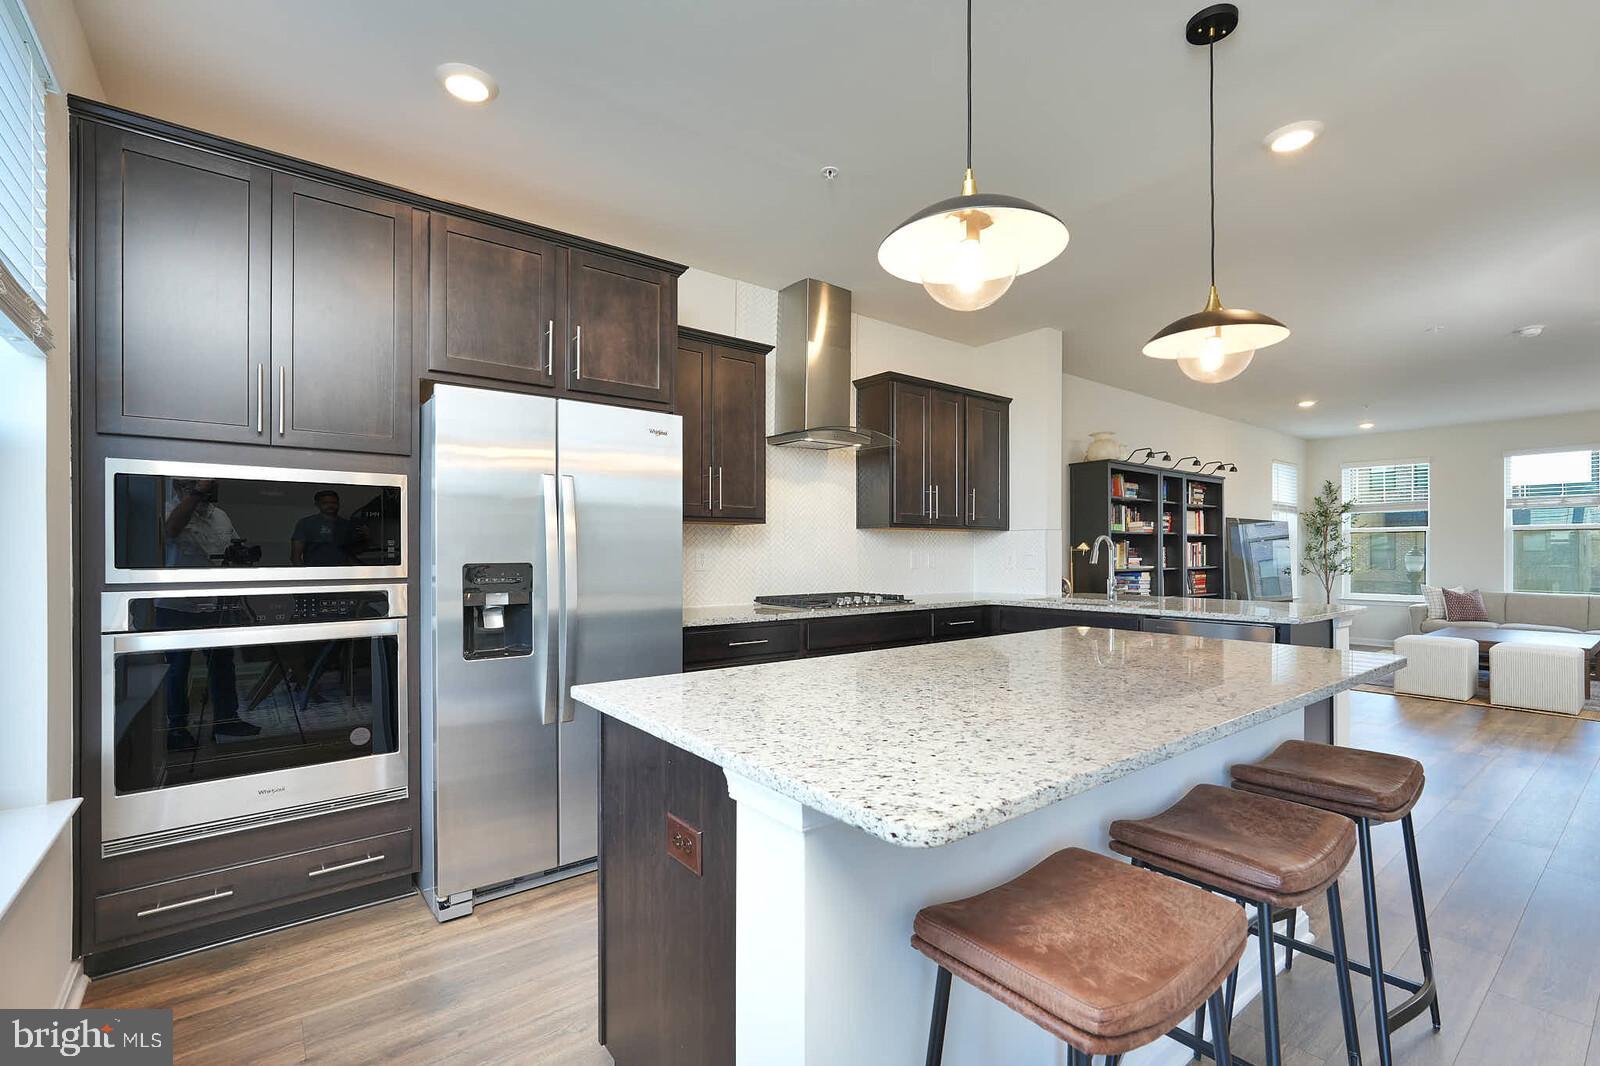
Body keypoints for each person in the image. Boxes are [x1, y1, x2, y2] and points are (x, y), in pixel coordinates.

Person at [160, 479, 260, 746]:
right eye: (202, 483)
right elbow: (171, 529)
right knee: (177, 667)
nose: (210, 488)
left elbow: (232, 554)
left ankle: (227, 721)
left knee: (223, 663)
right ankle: (176, 729)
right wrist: (196, 493)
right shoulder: (168, 507)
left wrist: (240, 598)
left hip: (217, 602)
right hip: (176, 605)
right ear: (182, 485)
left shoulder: (220, 516)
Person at [291, 490, 367, 567]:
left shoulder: (347, 524)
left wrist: (366, 537)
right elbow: (295, 556)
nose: (330, 505)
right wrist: (305, 576)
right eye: (325, 503)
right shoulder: (306, 523)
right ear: (317, 504)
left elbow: (355, 552)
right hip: (316, 572)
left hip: (343, 572)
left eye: (334, 503)